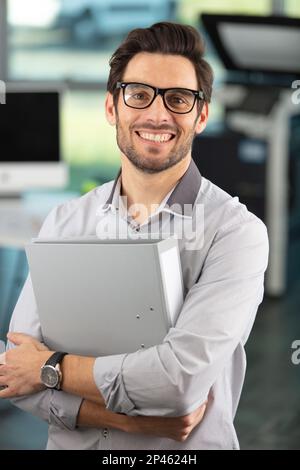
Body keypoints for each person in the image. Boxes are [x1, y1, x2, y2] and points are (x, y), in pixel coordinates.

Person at [0, 22, 268, 450]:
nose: (157, 115)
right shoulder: (66, 222)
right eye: (139, 94)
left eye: (178, 99)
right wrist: (130, 423)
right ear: (112, 107)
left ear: (200, 116)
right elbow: (15, 372)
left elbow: (177, 381)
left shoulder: (236, 235)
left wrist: (49, 367)